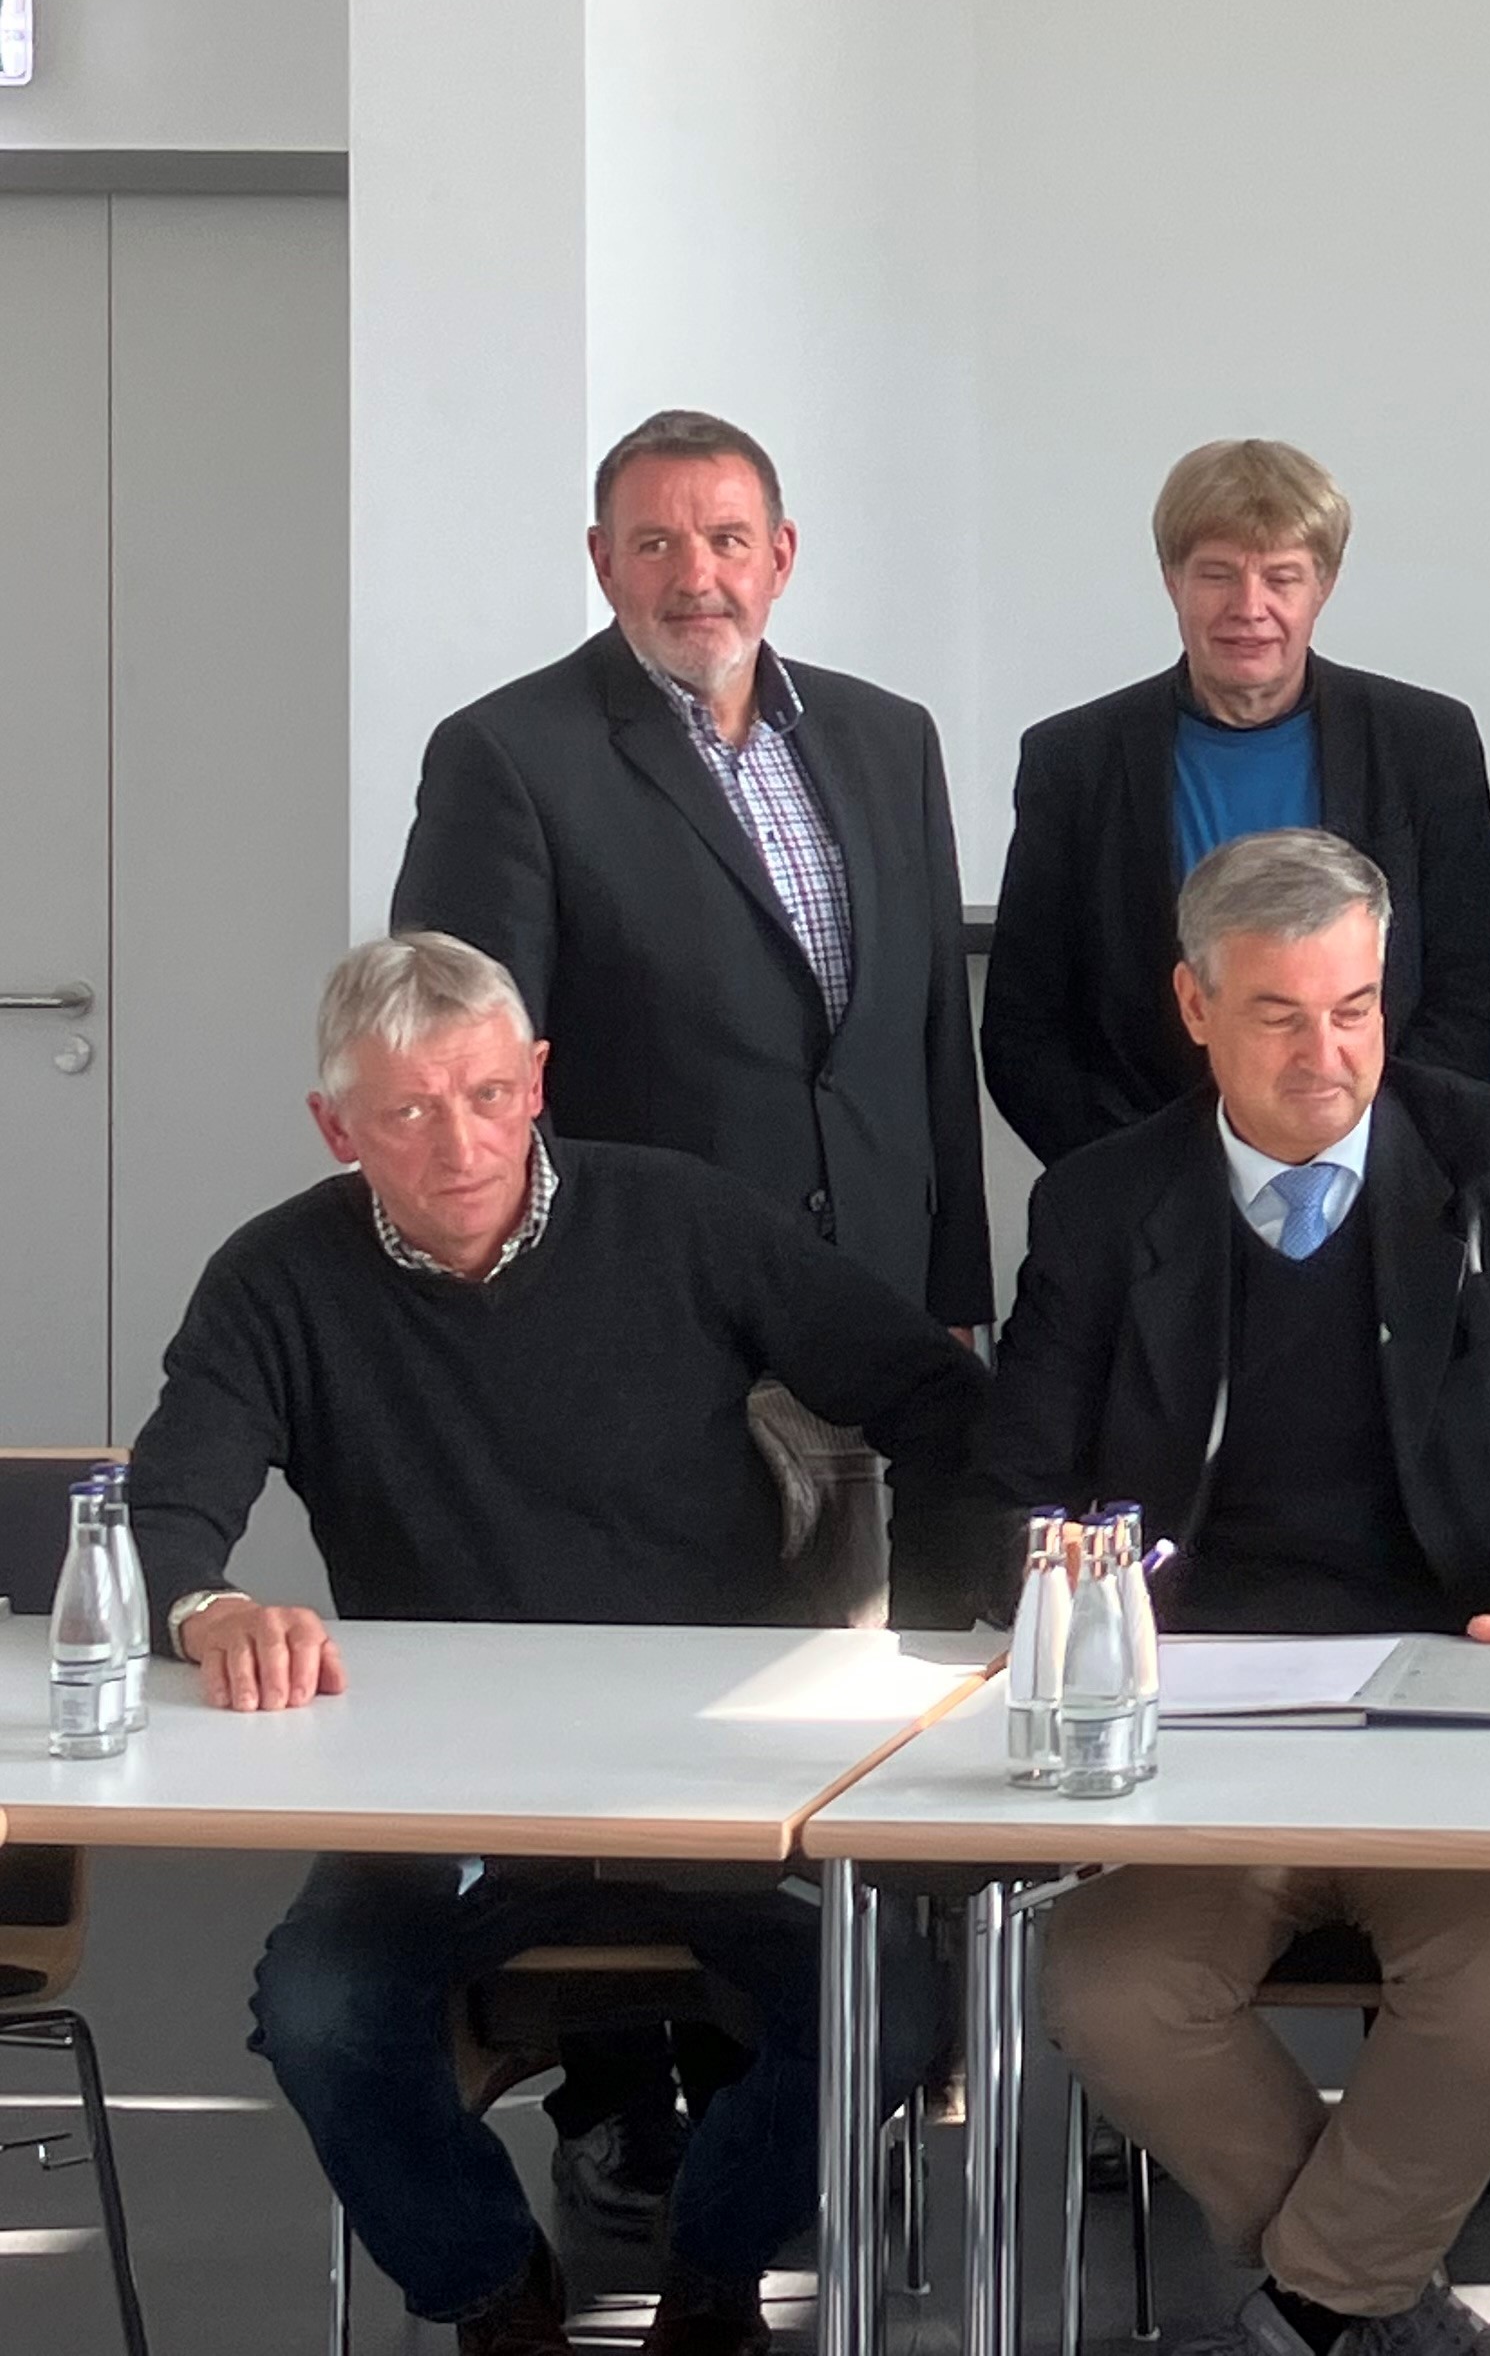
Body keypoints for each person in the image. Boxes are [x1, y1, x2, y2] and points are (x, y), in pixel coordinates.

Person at [125, 932, 982, 2356]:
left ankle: (710, 2282)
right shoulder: (277, 1277)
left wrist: (942, 1637)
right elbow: (163, 1507)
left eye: (485, 1095)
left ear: (536, 1080)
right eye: (407, 1110)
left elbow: (932, 1396)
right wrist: (209, 1609)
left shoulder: (682, 1218)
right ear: (337, 1127)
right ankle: (492, 2293)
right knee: (320, 2011)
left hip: (714, 1776)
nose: (458, 1143)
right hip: (433, 1791)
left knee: (888, 2010)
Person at [987, 829, 1490, 2356]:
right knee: (1112, 1991)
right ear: (1196, 1007)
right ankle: (1371, 2309)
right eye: (1280, 1015)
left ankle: (1315, 2317)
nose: (1330, 1056)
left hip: (1469, 1716)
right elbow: (1021, 1491)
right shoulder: (1104, 1204)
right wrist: (1088, 1597)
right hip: (1206, 1741)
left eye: (1358, 1009)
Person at [391, 405, 990, 2217]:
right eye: (653, 541)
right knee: (646, 1706)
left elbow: (923, 1042)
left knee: (838, 1699)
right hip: (635, 1320)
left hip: (861, 1312)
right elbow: (473, 1066)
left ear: (781, 556)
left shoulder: (885, 736)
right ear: (601, 563)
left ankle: (799, 2089)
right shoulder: (508, 755)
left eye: (726, 539)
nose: (694, 575)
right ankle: (628, 2090)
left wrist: (953, 1295)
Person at [983, 437, 1490, 1163]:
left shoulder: (1425, 744)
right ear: (1172, 579)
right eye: (1218, 575)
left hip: (1386, 1179)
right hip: (1147, 1191)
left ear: (1324, 585)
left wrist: (1367, 1160)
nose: (1249, 607)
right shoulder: (1073, 761)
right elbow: (1025, 1027)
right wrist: (1136, 1177)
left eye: (1282, 577)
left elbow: (1475, 995)